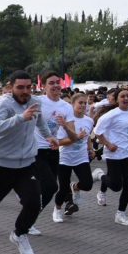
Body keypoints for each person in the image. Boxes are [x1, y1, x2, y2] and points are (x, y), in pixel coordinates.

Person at [0, 71, 57, 254]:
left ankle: (19, 234)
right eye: (20, 87)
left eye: (28, 87)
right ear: (11, 87)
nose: (25, 91)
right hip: (3, 165)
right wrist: (20, 118)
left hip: (26, 164)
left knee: (34, 202)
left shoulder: (36, 102)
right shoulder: (4, 103)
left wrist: (49, 136)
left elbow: (40, 123)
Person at [32, 72, 78, 232]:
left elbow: (74, 137)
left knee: (50, 188)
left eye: (57, 82)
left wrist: (65, 126)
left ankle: (29, 217)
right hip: (36, 150)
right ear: (43, 86)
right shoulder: (37, 102)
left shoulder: (66, 107)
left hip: (53, 151)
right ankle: (28, 214)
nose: (56, 85)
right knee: (49, 185)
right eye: (51, 83)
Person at [93, 89, 128, 226]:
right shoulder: (111, 115)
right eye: (122, 96)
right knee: (117, 186)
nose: (126, 98)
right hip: (114, 153)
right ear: (117, 99)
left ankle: (121, 213)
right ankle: (101, 176)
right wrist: (108, 144)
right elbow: (97, 132)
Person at [54, 93, 95, 218]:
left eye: (84, 103)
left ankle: (75, 186)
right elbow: (59, 142)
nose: (83, 105)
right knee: (63, 189)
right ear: (72, 105)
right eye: (80, 103)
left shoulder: (89, 120)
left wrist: (90, 148)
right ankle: (57, 209)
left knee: (88, 184)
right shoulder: (66, 121)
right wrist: (76, 138)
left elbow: (87, 137)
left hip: (81, 158)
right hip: (64, 158)